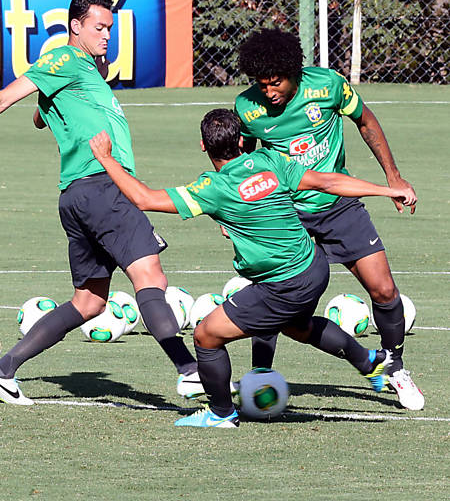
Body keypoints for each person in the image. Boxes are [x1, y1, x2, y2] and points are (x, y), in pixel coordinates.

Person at [0, 0, 201, 405]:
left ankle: (3, 372)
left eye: (110, 30)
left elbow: (38, 116)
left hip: (80, 196)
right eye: (99, 28)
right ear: (76, 26)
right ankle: (189, 372)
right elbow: (6, 99)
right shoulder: (63, 60)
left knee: (89, 302)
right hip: (102, 188)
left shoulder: (84, 71)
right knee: (150, 276)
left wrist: (56, 98)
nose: (106, 36)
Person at [88, 108, 416, 427]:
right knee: (296, 326)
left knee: (206, 336)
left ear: (204, 146)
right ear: (242, 142)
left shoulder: (213, 188)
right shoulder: (269, 162)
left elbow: (144, 198)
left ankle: (220, 414)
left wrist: (105, 158)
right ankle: (368, 360)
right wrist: (388, 189)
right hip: (314, 268)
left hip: (283, 285)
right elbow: (327, 182)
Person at [235, 28, 423, 410]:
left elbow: (366, 122)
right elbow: (244, 165)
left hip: (340, 207)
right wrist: (238, 211)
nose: (269, 92)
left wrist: (393, 176)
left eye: (276, 83)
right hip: (287, 214)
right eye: (261, 84)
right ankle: (260, 374)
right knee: (275, 299)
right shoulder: (247, 108)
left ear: (293, 71)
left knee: (385, 290)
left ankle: (394, 367)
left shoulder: (328, 85)